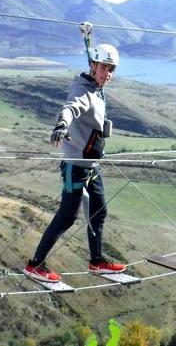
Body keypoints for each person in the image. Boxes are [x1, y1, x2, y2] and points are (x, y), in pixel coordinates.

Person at [23, 44, 127, 282]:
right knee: (67, 216)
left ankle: (97, 261)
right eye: (103, 67)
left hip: (91, 166)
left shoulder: (97, 88)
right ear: (93, 65)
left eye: (111, 69)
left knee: (99, 212)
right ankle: (35, 264)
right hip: (76, 167)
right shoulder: (84, 91)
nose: (107, 73)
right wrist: (62, 124)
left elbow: (92, 92)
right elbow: (71, 107)